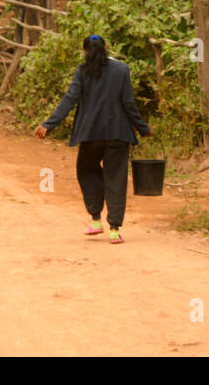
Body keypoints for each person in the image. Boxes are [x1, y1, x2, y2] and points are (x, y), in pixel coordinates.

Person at [34, 35, 152, 244]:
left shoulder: (83, 71)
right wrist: (143, 128)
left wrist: (49, 124)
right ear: (106, 47)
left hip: (90, 134)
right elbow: (128, 103)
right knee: (116, 178)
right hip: (118, 133)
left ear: (85, 51)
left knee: (87, 171)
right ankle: (115, 229)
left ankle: (96, 220)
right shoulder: (122, 70)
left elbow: (69, 99)